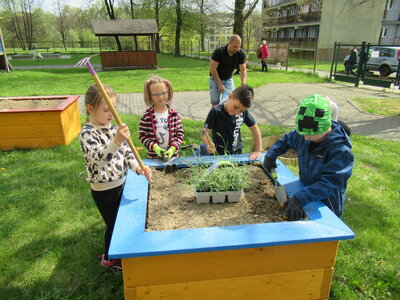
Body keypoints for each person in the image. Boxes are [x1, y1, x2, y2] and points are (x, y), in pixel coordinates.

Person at [79, 84, 152, 271]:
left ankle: (116, 253)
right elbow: (98, 161)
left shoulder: (112, 128)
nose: (111, 114)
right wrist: (116, 141)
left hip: (121, 182)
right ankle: (109, 258)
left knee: (121, 223)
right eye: (106, 110)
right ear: (90, 109)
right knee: (114, 226)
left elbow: (126, 153)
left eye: (114, 109)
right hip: (104, 191)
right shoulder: (87, 134)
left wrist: (137, 168)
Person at [263, 94, 354, 220]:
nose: (305, 138)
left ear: (325, 128)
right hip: (305, 189)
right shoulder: (305, 133)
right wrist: (271, 155)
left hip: (328, 201)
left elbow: (330, 183)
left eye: (310, 136)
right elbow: (288, 139)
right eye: (303, 134)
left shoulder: (340, 151)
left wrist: (301, 198)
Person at [200, 84, 262, 160]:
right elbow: (203, 133)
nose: (236, 112)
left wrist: (258, 150)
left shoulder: (243, 113)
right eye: (235, 107)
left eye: (241, 110)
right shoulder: (215, 111)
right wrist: (207, 144)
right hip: (218, 155)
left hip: (237, 154)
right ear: (230, 97)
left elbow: (256, 130)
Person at [139, 75, 184, 159]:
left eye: (163, 93)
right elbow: (143, 136)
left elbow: (179, 135)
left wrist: (173, 148)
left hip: (173, 158)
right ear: (150, 96)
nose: (160, 97)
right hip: (153, 159)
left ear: (168, 92)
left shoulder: (174, 115)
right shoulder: (146, 117)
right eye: (156, 94)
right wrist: (154, 147)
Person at [209, 34, 247, 106]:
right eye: (235, 47)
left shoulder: (240, 53)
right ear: (229, 43)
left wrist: (243, 84)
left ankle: (225, 116)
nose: (236, 49)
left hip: (228, 79)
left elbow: (243, 69)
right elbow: (213, 69)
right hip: (214, 79)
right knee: (215, 103)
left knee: (229, 100)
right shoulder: (219, 52)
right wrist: (219, 83)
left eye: (238, 47)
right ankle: (216, 116)